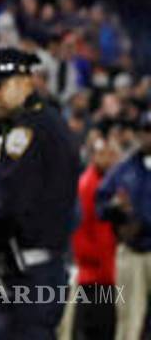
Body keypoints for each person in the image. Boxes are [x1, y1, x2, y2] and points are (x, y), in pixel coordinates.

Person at [0, 48, 78, 340]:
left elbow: (10, 205)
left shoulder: (28, 129)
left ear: (26, 82)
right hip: (40, 270)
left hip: (29, 274)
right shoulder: (48, 122)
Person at [97, 115, 151, 340]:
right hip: (133, 252)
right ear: (139, 134)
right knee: (129, 322)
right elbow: (101, 204)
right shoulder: (124, 169)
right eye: (146, 130)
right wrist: (118, 210)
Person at [72, 137, 119, 340]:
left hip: (105, 273)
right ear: (93, 157)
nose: (109, 160)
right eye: (103, 154)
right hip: (93, 276)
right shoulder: (87, 186)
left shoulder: (109, 184)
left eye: (112, 155)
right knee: (94, 329)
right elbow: (80, 233)